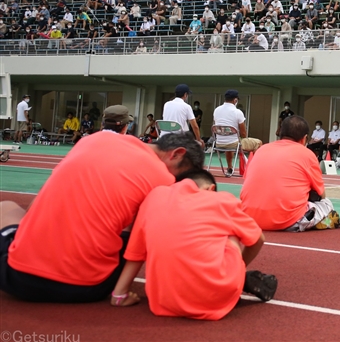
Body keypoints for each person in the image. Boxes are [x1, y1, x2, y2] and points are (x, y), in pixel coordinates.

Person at [0, 110, 204, 303]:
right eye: (180, 175)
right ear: (176, 154)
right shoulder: (164, 180)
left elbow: (37, 204)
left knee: (7, 207)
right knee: (140, 219)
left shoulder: (93, 140)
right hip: (90, 287)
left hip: (17, 278)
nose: (176, 181)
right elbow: (153, 239)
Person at [109, 169, 277, 318]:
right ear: (211, 189)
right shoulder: (221, 200)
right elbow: (258, 239)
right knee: (232, 231)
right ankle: (233, 279)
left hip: (164, 301)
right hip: (215, 297)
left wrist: (119, 294)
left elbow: (136, 253)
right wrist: (241, 268)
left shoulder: (154, 197)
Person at [241, 116, 340, 232]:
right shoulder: (307, 154)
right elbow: (321, 194)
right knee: (326, 203)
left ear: (280, 133)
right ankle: (329, 222)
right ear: (304, 138)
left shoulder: (262, 150)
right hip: (286, 221)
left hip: (250, 219)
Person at [212, 90, 263, 177]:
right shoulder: (238, 112)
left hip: (218, 143)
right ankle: (255, 169)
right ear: (235, 100)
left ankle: (229, 167)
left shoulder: (216, 110)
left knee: (230, 142)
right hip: (234, 143)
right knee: (258, 143)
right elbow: (243, 133)